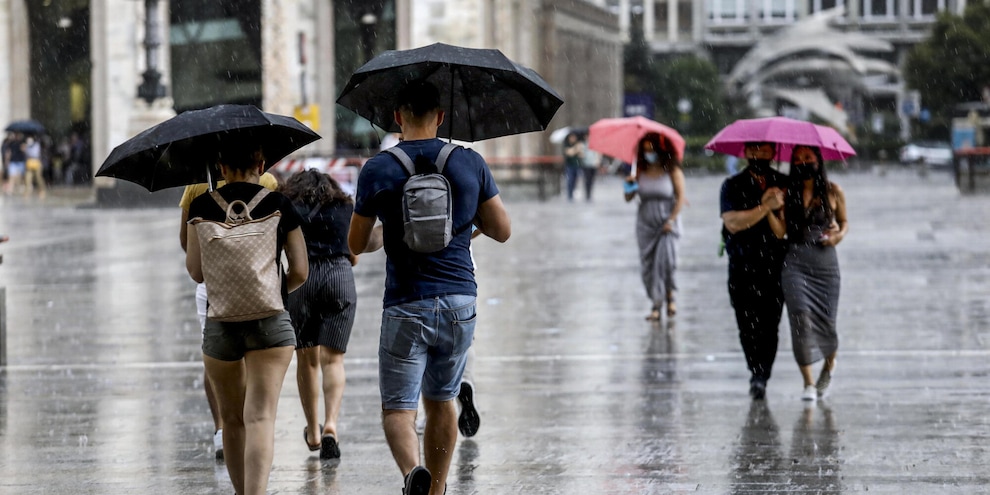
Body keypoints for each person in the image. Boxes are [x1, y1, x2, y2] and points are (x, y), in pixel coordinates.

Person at [348, 79, 511, 495]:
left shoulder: (378, 169)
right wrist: (458, 231)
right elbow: (501, 230)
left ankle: (411, 473)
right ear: (440, 117)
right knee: (442, 400)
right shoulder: (469, 162)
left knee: (399, 408)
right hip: (459, 301)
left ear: (398, 117)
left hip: (405, 302)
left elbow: (355, 243)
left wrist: (389, 230)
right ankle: (436, 489)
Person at [184, 141, 308, 495]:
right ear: (262, 163)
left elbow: (195, 271)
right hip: (271, 321)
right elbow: (300, 270)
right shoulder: (280, 204)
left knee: (233, 421)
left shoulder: (200, 206)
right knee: (261, 417)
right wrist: (274, 287)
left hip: (221, 323)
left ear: (221, 168)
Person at [179, 170, 281, 461]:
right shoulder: (268, 183)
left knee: (216, 356)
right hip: (259, 285)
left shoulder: (196, 186)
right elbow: (279, 241)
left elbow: (186, 242)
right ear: (258, 158)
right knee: (255, 359)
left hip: (213, 287)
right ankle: (248, 424)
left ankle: (223, 427)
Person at [281, 170, 381, 460]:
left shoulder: (290, 209)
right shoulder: (344, 207)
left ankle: (313, 430)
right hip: (339, 277)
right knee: (333, 359)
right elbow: (355, 255)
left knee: (307, 359)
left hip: (303, 280)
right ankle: (331, 427)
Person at [770, 145, 847, 401]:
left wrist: (838, 236)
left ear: (818, 160)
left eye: (808, 157)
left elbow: (844, 223)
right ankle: (808, 383)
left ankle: (829, 365)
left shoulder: (833, 190)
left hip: (826, 264)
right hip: (795, 262)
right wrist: (770, 208)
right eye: (798, 158)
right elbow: (780, 232)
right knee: (800, 319)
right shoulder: (786, 191)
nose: (803, 162)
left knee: (827, 324)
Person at [719, 141, 787, 400]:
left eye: (764, 149)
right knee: (746, 324)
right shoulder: (731, 185)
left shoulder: (784, 183)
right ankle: (754, 368)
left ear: (773, 152)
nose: (758, 154)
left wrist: (777, 206)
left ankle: (762, 375)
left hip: (774, 267)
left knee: (770, 325)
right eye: (753, 149)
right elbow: (733, 222)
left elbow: (785, 228)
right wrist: (764, 208)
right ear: (745, 153)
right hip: (741, 265)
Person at [623, 133, 687, 321]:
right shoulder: (639, 172)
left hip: (668, 222)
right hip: (645, 224)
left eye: (653, 150)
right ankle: (656, 301)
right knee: (649, 266)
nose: (649, 153)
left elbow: (680, 197)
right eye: (646, 150)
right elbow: (628, 199)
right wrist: (629, 186)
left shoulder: (672, 171)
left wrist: (671, 220)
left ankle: (665, 299)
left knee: (666, 263)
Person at [562, 132, 585, 201]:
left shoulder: (578, 145)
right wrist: (576, 149)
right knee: (570, 180)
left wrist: (579, 150)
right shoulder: (567, 145)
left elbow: (581, 155)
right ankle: (569, 194)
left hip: (577, 165)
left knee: (575, 180)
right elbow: (569, 153)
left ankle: (572, 192)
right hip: (569, 165)